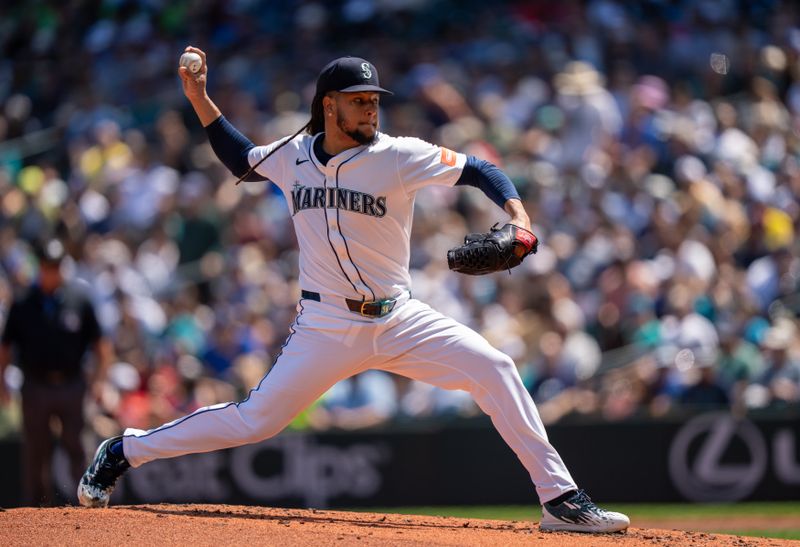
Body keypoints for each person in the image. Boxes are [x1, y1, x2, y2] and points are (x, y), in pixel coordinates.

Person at [77, 46, 629, 533]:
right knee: (255, 420)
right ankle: (125, 450)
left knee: (496, 368)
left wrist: (519, 215)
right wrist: (198, 95)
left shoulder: (397, 154)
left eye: (374, 100)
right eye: (359, 99)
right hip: (325, 326)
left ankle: (560, 499)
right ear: (328, 105)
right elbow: (239, 160)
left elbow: (480, 168)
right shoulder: (293, 157)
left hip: (399, 318)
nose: (371, 108)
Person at [0, 239, 113, 505]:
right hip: (35, 384)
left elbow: (102, 347)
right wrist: (2, 383)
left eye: (56, 266)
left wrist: (99, 382)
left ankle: (89, 501)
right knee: (36, 449)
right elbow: (4, 348)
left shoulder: (79, 300)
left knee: (77, 445)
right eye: (47, 266)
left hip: (72, 383)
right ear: (39, 268)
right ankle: (36, 508)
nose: (52, 272)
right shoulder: (23, 302)